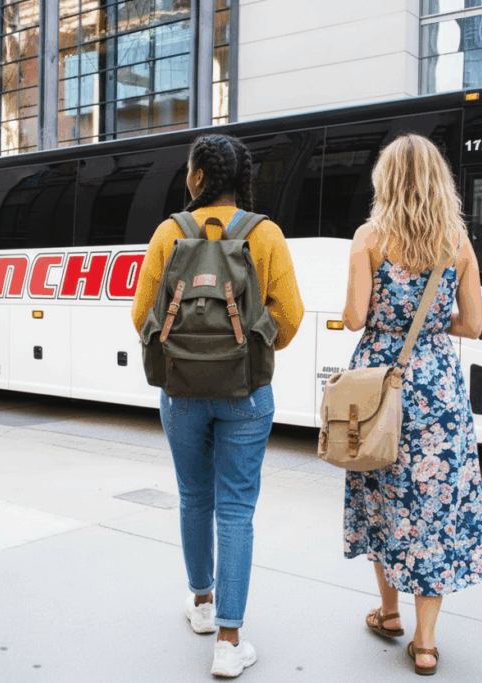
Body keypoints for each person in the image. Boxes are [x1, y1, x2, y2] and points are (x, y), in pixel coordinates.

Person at [131, 133, 304, 678]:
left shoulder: (168, 233)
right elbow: (290, 318)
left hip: (181, 392)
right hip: (247, 393)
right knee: (235, 509)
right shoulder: (265, 234)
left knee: (193, 499)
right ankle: (229, 642)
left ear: (197, 178)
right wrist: (244, 347)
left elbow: (142, 317)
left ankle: (202, 605)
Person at [340, 133, 482, 676]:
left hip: (383, 386)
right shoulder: (458, 242)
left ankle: (388, 612)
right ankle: (426, 644)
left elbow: (355, 317)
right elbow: (472, 324)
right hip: (439, 390)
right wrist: (429, 326)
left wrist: (386, 315)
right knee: (432, 512)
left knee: (381, 495)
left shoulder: (369, 237)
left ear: (388, 181)